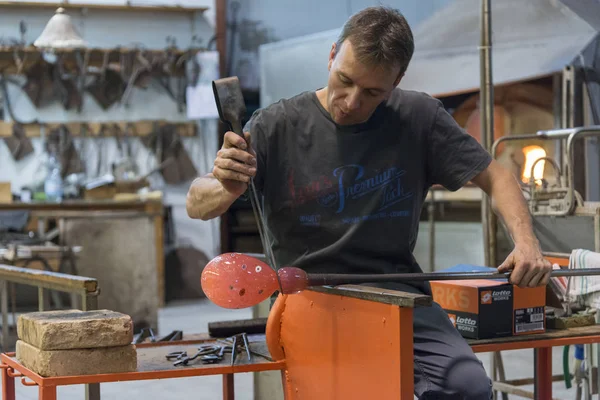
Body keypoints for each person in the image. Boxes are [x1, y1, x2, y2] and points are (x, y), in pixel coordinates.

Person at [187, 6, 553, 399]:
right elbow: (198, 204)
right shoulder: (276, 126)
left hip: (396, 296)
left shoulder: (418, 118)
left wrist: (526, 241)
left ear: (397, 81)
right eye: (344, 79)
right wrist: (226, 183)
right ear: (332, 55)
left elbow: (496, 175)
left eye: (373, 92)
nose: (350, 101)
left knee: (467, 387)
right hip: (307, 299)